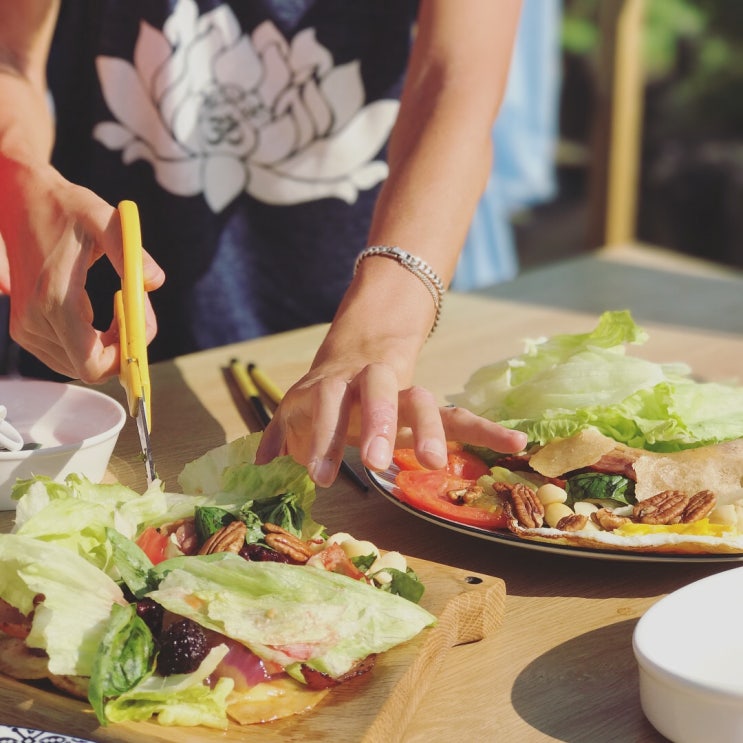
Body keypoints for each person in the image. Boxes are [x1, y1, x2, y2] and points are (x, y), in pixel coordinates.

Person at [0, 0, 527, 487]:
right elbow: (11, 53)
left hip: (344, 315)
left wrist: (380, 333)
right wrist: (20, 182)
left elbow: (454, 86)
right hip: (79, 323)